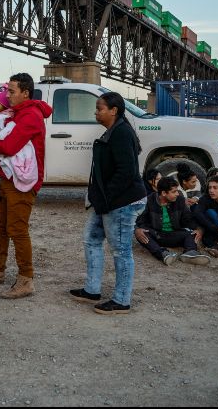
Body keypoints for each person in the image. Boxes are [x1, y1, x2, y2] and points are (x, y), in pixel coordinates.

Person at [0, 73, 52, 299]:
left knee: (17, 228)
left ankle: (26, 279)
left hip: (23, 182)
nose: (7, 96)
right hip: (10, 179)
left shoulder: (30, 116)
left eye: (12, 91)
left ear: (26, 93)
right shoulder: (18, 113)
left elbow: (9, 145)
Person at [69, 92, 147, 315]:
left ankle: (122, 300)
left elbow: (126, 172)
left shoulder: (121, 133)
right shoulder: (114, 131)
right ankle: (92, 289)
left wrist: (106, 198)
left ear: (114, 110)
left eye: (99, 108)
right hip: (107, 201)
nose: (96, 112)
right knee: (91, 240)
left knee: (121, 251)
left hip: (122, 202)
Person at [135, 177, 210, 266]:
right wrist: (136, 229)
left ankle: (190, 253)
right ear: (163, 193)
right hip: (156, 234)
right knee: (142, 234)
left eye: (177, 191)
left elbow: (188, 219)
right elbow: (138, 220)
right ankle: (162, 254)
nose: (177, 194)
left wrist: (199, 229)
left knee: (192, 233)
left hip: (174, 234)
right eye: (174, 192)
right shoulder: (149, 200)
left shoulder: (180, 200)